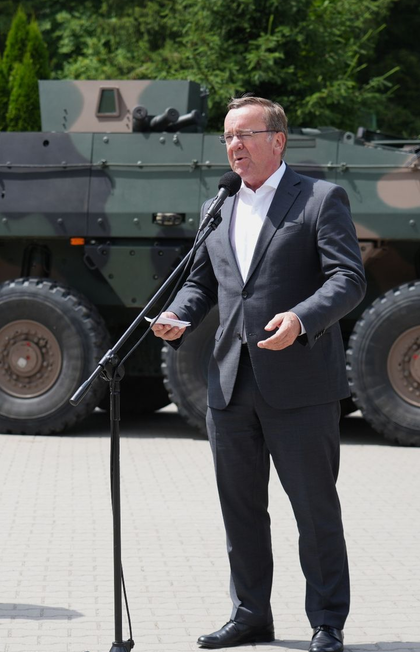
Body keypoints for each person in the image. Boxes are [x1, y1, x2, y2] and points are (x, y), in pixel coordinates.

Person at [153, 96, 365, 652]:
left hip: (300, 383)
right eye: (228, 137)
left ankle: (326, 621)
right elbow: (204, 284)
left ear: (278, 140)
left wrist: (302, 318)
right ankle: (250, 614)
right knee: (241, 509)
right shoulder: (217, 207)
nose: (235, 147)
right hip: (229, 382)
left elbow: (348, 279)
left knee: (314, 512)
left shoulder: (320, 199)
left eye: (245, 135)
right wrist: (179, 313)